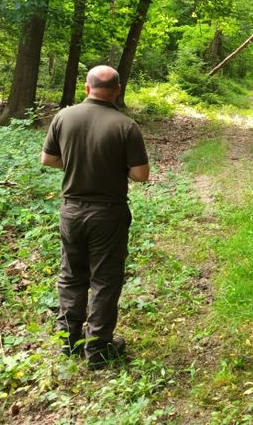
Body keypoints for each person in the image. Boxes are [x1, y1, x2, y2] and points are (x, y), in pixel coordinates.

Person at [41, 65, 150, 368]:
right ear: (117, 91)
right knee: (104, 279)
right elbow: (141, 175)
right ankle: (98, 349)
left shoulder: (63, 117)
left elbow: (48, 159)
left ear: (87, 88)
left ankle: (68, 341)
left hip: (71, 210)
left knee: (71, 275)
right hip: (108, 213)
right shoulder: (125, 125)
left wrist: (77, 166)